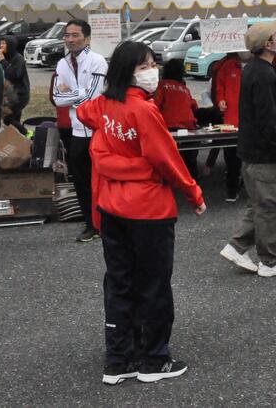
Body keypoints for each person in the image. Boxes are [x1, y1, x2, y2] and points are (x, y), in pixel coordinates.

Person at [76, 42, 205, 385]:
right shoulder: (144, 110)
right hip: (148, 209)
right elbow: (167, 159)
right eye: (144, 66)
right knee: (154, 284)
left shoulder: (104, 106)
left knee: (120, 282)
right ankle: (154, 359)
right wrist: (193, 192)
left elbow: (84, 112)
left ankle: (119, 358)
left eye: (152, 64)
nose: (152, 71)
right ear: (128, 71)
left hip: (111, 206)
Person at [219, 19, 276, 277]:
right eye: (275, 37)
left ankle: (237, 247)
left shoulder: (253, 69)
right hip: (264, 155)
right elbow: (265, 120)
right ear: (267, 44)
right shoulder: (265, 74)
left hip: (252, 150)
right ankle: (270, 261)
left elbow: (259, 114)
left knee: (260, 205)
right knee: (275, 207)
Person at [53, 19, 108, 243]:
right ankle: (90, 224)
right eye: (67, 35)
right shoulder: (62, 64)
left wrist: (73, 94)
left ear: (87, 38)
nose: (70, 39)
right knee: (81, 181)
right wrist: (80, 92)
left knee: (102, 179)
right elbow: (57, 99)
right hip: (76, 130)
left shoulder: (97, 61)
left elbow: (94, 97)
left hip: (97, 130)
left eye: (75, 35)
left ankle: (107, 223)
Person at [155, 59, 199, 179]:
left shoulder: (161, 85)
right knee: (190, 159)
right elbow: (194, 106)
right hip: (188, 127)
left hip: (168, 127)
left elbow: (155, 105)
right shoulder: (184, 89)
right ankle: (193, 180)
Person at [214, 51, 245, 202]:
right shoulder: (227, 65)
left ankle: (251, 188)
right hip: (231, 120)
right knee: (231, 156)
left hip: (251, 120)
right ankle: (232, 189)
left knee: (252, 157)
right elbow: (219, 86)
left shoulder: (257, 65)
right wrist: (220, 99)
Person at [0, 36, 30, 135]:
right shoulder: (5, 57)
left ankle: (26, 133)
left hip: (20, 94)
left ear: (10, 45)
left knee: (8, 119)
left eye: (4, 43)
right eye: (1, 43)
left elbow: (14, 75)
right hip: (9, 94)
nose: (1, 46)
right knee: (15, 119)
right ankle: (18, 139)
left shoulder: (18, 58)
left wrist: (3, 62)